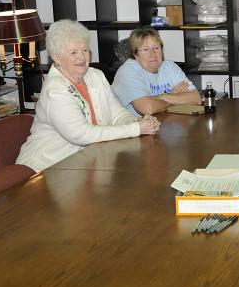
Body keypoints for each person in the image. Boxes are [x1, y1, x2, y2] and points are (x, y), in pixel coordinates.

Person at [16, 20, 160, 173]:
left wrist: (139, 121)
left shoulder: (96, 76)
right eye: (73, 53)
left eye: (85, 50)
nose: (82, 58)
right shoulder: (55, 91)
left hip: (86, 163)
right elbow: (82, 135)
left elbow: (116, 113)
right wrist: (136, 128)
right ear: (56, 57)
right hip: (45, 170)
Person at [112, 27, 202, 116]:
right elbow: (147, 109)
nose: (152, 54)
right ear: (135, 54)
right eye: (145, 49)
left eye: (156, 48)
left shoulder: (169, 66)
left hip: (164, 121)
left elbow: (196, 98)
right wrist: (174, 97)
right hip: (136, 126)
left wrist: (161, 97)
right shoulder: (127, 72)